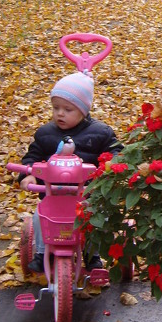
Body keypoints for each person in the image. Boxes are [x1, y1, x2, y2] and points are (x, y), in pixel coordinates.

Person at [18, 70, 123, 273]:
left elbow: (116, 150)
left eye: (68, 109)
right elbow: (32, 157)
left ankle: (92, 254)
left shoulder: (100, 133)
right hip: (53, 195)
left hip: (88, 194)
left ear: (83, 111)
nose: (60, 113)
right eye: (56, 107)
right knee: (41, 216)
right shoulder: (45, 134)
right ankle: (42, 253)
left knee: (94, 217)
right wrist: (28, 173)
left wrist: (111, 165)